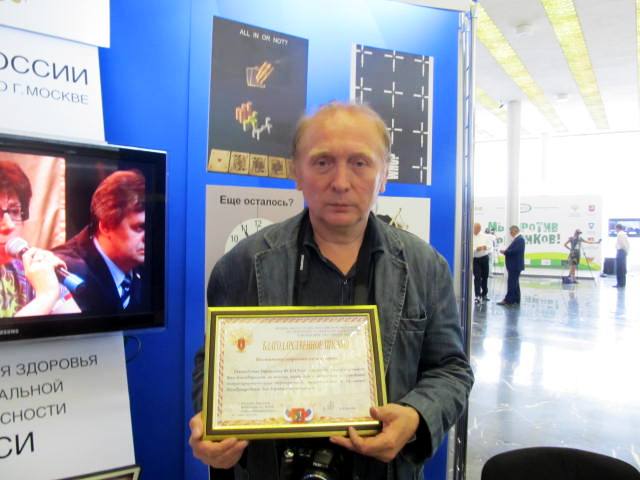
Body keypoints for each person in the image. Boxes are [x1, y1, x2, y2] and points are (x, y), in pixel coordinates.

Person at [189, 102, 474, 479]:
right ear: (297, 171)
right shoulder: (242, 264)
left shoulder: (426, 267)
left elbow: (451, 369)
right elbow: (215, 364)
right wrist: (212, 425)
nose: (340, 182)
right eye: (322, 162)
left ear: (384, 174)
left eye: (360, 162)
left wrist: (416, 416)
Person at [53, 170, 145, 313]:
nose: (148, 237)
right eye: (139, 227)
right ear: (106, 226)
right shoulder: (63, 271)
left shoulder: (146, 266)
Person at [0, 160, 78, 317]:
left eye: (15, 211)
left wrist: (52, 281)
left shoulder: (26, 270)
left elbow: (76, 326)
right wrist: (46, 297)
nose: (9, 225)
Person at [498, 225, 525, 306]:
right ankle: (516, 299)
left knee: (512, 283)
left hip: (514, 266)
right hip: (515, 265)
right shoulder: (518, 239)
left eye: (511, 231)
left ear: (514, 231)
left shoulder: (520, 239)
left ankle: (508, 300)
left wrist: (505, 252)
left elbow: (515, 251)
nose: (510, 233)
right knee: (515, 283)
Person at [473, 222, 492, 303]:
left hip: (484, 258)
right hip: (475, 259)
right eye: (475, 228)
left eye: (477, 229)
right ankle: (477, 295)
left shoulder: (485, 236)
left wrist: (485, 247)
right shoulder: (470, 237)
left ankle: (484, 294)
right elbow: (469, 247)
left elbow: (490, 246)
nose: (476, 230)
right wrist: (476, 249)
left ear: (480, 229)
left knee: (485, 276)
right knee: (477, 277)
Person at [613, 224, 630, 288]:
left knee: (619, 269)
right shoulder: (624, 234)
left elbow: (623, 244)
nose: (615, 230)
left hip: (621, 252)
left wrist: (624, 251)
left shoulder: (620, 234)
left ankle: (620, 284)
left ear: (617, 228)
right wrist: (626, 251)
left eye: (615, 228)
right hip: (623, 252)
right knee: (622, 268)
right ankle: (622, 283)